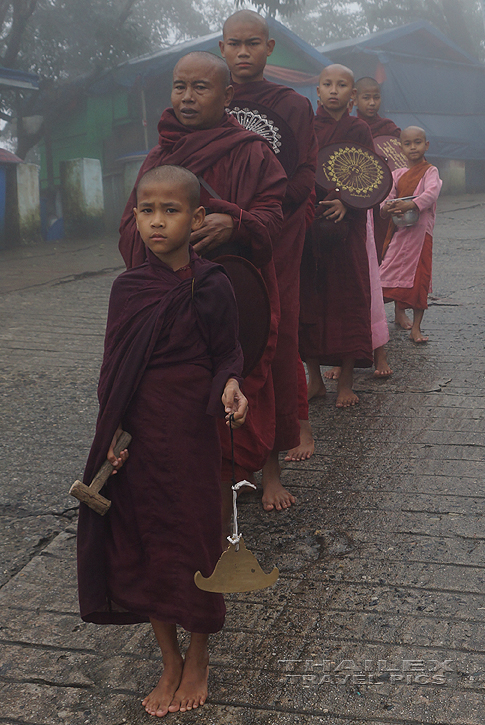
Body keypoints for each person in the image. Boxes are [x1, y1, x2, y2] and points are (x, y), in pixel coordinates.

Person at [77, 165, 248, 718]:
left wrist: (231, 387)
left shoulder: (213, 282)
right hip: (140, 434)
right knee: (145, 538)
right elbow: (113, 369)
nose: (156, 221)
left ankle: (198, 653)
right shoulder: (128, 288)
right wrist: (111, 436)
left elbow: (228, 352)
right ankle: (168, 658)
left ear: (197, 218)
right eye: (146, 211)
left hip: (191, 430)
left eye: (170, 211)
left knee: (197, 536)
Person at [118, 51, 287, 525]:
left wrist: (236, 222)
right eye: (179, 87)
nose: (187, 98)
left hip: (227, 299)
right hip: (166, 301)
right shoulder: (160, 155)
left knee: (227, 396)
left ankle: (214, 522)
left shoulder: (251, 151)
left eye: (201, 88)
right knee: (167, 407)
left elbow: (275, 219)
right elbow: (130, 226)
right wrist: (164, 237)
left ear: (227, 95)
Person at [220, 9, 318, 509]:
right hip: (217, 239)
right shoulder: (213, 99)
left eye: (252, 43)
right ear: (222, 48)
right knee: (218, 344)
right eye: (234, 43)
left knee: (272, 340)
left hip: (274, 237)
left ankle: (272, 465)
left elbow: (304, 173)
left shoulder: (291, 104)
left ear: (269, 47)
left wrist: (263, 220)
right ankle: (220, 465)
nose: (243, 52)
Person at [299, 64, 373, 407]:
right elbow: (299, 170)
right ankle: (314, 379)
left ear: (352, 95)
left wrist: (348, 202)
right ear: (317, 91)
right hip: (311, 223)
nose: (333, 90)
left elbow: (371, 176)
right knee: (310, 300)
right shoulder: (307, 127)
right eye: (326, 84)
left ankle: (345, 381)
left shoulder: (358, 128)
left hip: (348, 229)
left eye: (341, 85)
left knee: (350, 298)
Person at [380, 126, 442, 343]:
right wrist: (388, 208)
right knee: (386, 274)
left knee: (419, 279)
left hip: (420, 235)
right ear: (400, 148)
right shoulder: (397, 174)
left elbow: (431, 193)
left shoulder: (430, 171)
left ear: (426, 145)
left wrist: (410, 205)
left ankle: (416, 328)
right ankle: (385, 318)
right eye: (407, 143)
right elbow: (386, 198)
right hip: (399, 234)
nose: (413, 147)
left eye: (417, 142)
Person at [354, 76, 402, 267]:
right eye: (366, 98)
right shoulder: (352, 127)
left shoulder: (388, 128)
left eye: (376, 97)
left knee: (387, 243)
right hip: (361, 195)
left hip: (387, 195)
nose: (372, 103)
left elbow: (402, 158)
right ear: (355, 98)